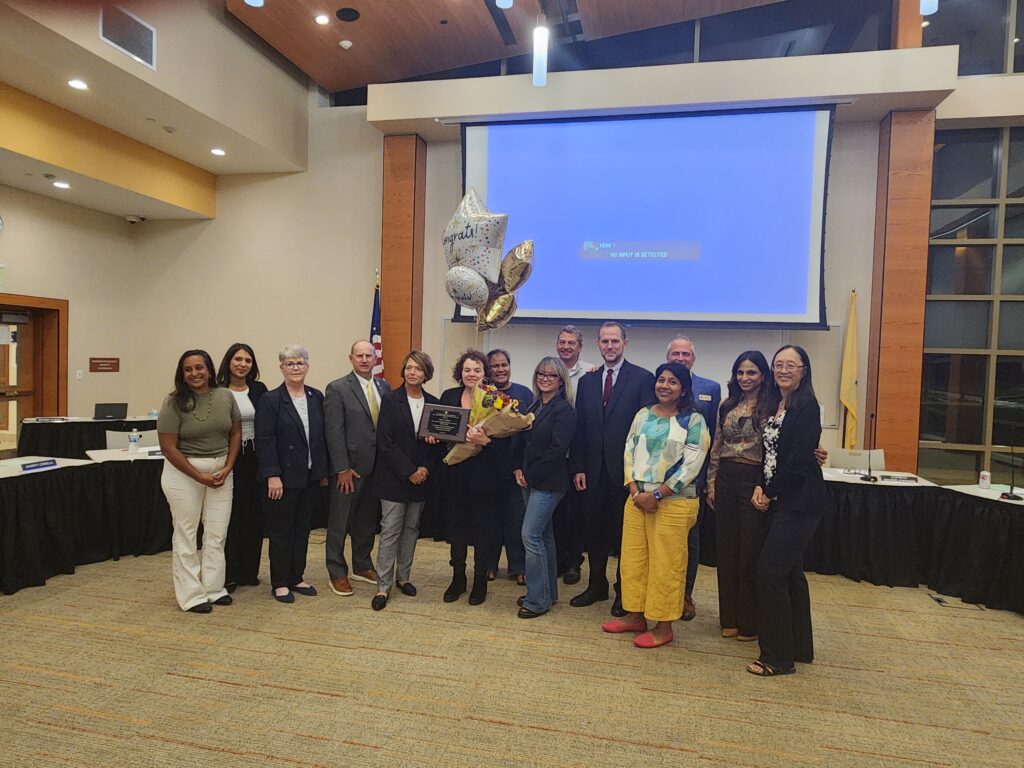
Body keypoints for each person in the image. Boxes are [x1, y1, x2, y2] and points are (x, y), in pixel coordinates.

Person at [602, 362, 710, 647]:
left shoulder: (693, 420)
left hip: (673, 503)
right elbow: (628, 449)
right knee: (634, 560)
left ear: (683, 388)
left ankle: (663, 626)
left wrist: (658, 494)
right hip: (637, 500)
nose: (664, 385)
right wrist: (635, 489)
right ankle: (635, 615)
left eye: (672, 381)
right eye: (661, 380)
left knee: (667, 565)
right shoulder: (643, 414)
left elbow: (692, 463)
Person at [747, 345, 825, 677]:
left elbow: (796, 462)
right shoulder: (776, 404)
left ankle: (777, 657)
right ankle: (799, 648)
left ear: (804, 370)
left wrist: (769, 490)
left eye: (791, 365)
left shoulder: (807, 406)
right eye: (778, 364)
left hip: (800, 502)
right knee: (791, 573)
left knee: (769, 573)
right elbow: (769, 453)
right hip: (779, 500)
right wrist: (760, 485)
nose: (783, 370)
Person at [569, 321, 655, 614]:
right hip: (592, 472)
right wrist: (578, 466)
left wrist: (640, 474)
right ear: (598, 344)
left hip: (627, 475)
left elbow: (647, 430)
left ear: (625, 343)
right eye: (604, 341)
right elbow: (579, 427)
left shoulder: (643, 378)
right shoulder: (587, 381)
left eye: (615, 341)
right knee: (594, 532)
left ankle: (624, 592)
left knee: (625, 537)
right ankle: (596, 586)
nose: (609, 346)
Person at [157, 349, 241, 614]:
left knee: (217, 534)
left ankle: (214, 589)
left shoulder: (225, 395)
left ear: (209, 369)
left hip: (221, 473)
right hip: (184, 473)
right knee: (187, 534)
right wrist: (199, 476)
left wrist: (228, 466)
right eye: (188, 369)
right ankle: (191, 595)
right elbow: (168, 448)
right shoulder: (173, 402)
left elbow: (236, 433)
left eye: (199, 368)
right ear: (182, 374)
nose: (194, 374)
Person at [706, 351, 773, 642]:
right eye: (741, 373)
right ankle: (729, 618)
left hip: (755, 479)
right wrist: (711, 483)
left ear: (762, 376)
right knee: (727, 551)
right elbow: (717, 446)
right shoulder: (727, 404)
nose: (745, 378)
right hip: (726, 479)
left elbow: (779, 446)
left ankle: (749, 622)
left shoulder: (773, 405)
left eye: (752, 373)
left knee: (750, 552)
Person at [256, 345, 329, 604]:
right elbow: (265, 440)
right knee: (281, 531)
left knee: (302, 530)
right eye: (290, 364)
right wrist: (272, 475)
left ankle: (296, 576)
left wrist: (322, 471)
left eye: (300, 363)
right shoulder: (271, 400)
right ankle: (279, 582)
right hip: (283, 479)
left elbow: (321, 438)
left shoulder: (316, 397)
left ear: (307, 366)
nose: (295, 368)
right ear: (281, 368)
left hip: (310, 476)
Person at [371, 351, 442, 611]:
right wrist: (409, 471)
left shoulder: (434, 403)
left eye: (418, 369)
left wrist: (423, 469)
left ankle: (404, 577)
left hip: (422, 478)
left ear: (426, 374)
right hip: (394, 478)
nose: (412, 372)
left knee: (411, 530)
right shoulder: (390, 400)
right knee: (390, 531)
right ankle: (383, 585)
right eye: (409, 368)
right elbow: (385, 443)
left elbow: (437, 446)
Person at [323, 340, 391, 597]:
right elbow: (334, 432)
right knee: (340, 522)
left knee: (366, 521)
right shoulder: (338, 388)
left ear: (375, 358)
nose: (364, 359)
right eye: (359, 355)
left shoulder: (384, 386)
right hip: (349, 469)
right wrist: (342, 467)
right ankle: (336, 572)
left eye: (368, 355)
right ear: (351, 359)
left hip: (376, 469)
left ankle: (361, 565)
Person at [512, 357, 576, 618]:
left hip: (549, 482)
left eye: (551, 375)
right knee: (544, 535)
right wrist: (518, 468)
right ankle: (547, 593)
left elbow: (558, 450)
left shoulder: (564, 410)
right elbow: (523, 442)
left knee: (530, 536)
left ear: (561, 380)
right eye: (541, 373)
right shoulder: (535, 404)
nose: (545, 378)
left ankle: (537, 601)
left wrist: (530, 474)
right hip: (529, 478)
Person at [665, 335, 721, 622]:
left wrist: (708, 480)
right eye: (675, 354)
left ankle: (685, 594)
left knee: (690, 539)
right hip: (659, 481)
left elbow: (714, 439)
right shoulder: (659, 385)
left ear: (693, 358)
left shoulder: (710, 389)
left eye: (685, 354)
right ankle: (662, 592)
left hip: (692, 482)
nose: (680, 359)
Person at [439, 349, 501, 605]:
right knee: (457, 527)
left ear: (485, 373)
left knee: (482, 529)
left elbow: (505, 441)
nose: (471, 374)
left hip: (483, 474)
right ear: (460, 372)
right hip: (454, 474)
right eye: (467, 370)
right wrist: (436, 435)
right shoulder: (449, 396)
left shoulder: (495, 399)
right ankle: (458, 578)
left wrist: (485, 441)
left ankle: (479, 581)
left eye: (477, 370)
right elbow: (439, 429)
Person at [216, 342, 268, 593]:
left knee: (254, 514)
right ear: (228, 362)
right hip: (228, 458)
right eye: (238, 359)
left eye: (247, 360)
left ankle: (249, 571)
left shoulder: (259, 390)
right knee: (230, 516)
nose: (242, 364)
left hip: (255, 458)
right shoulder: (216, 390)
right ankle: (229, 573)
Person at [486, 348, 534, 585]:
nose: (500, 369)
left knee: (517, 518)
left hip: (517, 467)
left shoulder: (523, 393)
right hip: (488, 465)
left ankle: (518, 566)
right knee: (490, 518)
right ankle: (489, 564)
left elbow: (530, 430)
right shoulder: (483, 395)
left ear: (510, 366)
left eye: (503, 364)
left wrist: (523, 465)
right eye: (494, 366)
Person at [553, 325, 595, 586]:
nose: (566, 346)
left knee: (577, 512)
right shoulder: (549, 370)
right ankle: (557, 559)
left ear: (580, 347)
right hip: (555, 452)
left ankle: (573, 562)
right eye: (562, 342)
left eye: (571, 343)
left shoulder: (592, 373)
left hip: (580, 453)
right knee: (555, 510)